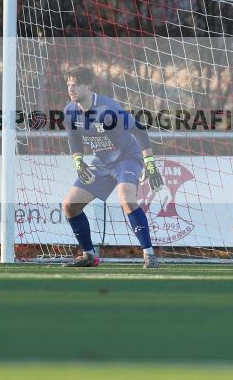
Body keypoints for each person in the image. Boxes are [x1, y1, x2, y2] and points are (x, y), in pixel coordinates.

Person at [62, 67, 164, 268]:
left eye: (75, 85)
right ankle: (89, 256)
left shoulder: (108, 108)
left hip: (127, 158)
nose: (71, 89)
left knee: (126, 198)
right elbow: (74, 139)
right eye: (68, 85)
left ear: (88, 86)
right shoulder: (70, 111)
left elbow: (139, 130)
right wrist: (78, 161)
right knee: (70, 206)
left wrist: (150, 164)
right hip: (102, 163)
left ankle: (150, 256)